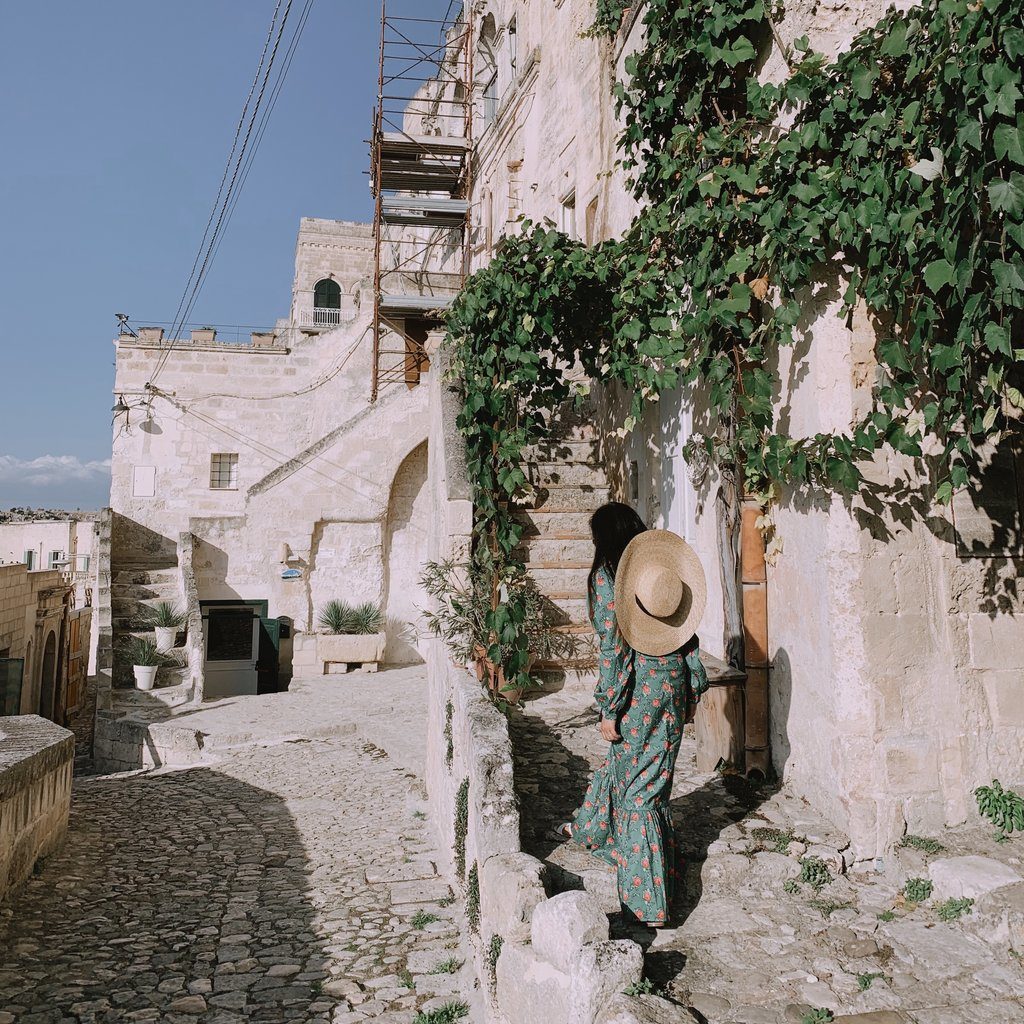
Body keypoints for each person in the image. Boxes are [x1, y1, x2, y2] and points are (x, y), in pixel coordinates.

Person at [555, 501, 708, 926]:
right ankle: (595, 828)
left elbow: (615, 649)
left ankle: (648, 904)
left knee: (639, 791)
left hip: (641, 691)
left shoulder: (610, 579)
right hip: (673, 684)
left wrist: (609, 707)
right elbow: (685, 633)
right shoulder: (656, 574)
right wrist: (692, 688)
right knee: (647, 776)